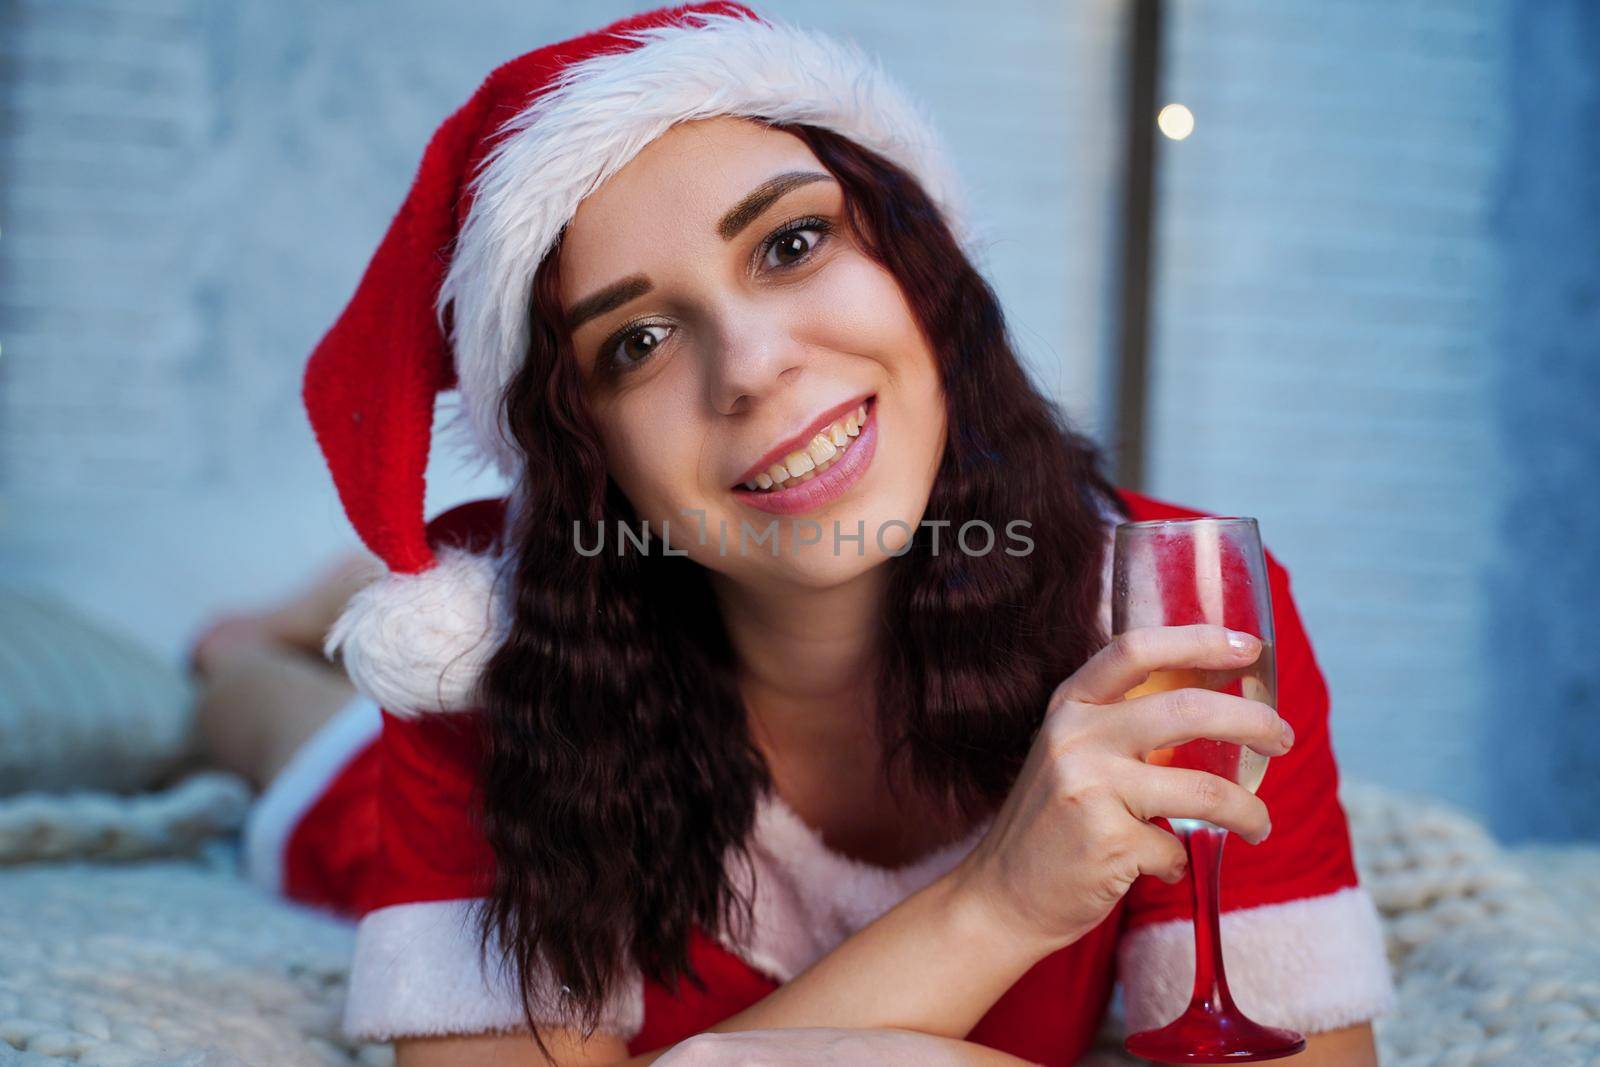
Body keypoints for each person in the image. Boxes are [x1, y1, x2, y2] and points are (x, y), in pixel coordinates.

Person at [258, 4, 1395, 1065]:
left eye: (793, 244)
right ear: (587, 456)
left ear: (923, 267)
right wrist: (996, 901)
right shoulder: (479, 675)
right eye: (636, 342)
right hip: (427, 761)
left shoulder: (1176, 610)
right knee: (279, 750)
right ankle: (246, 650)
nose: (753, 367)